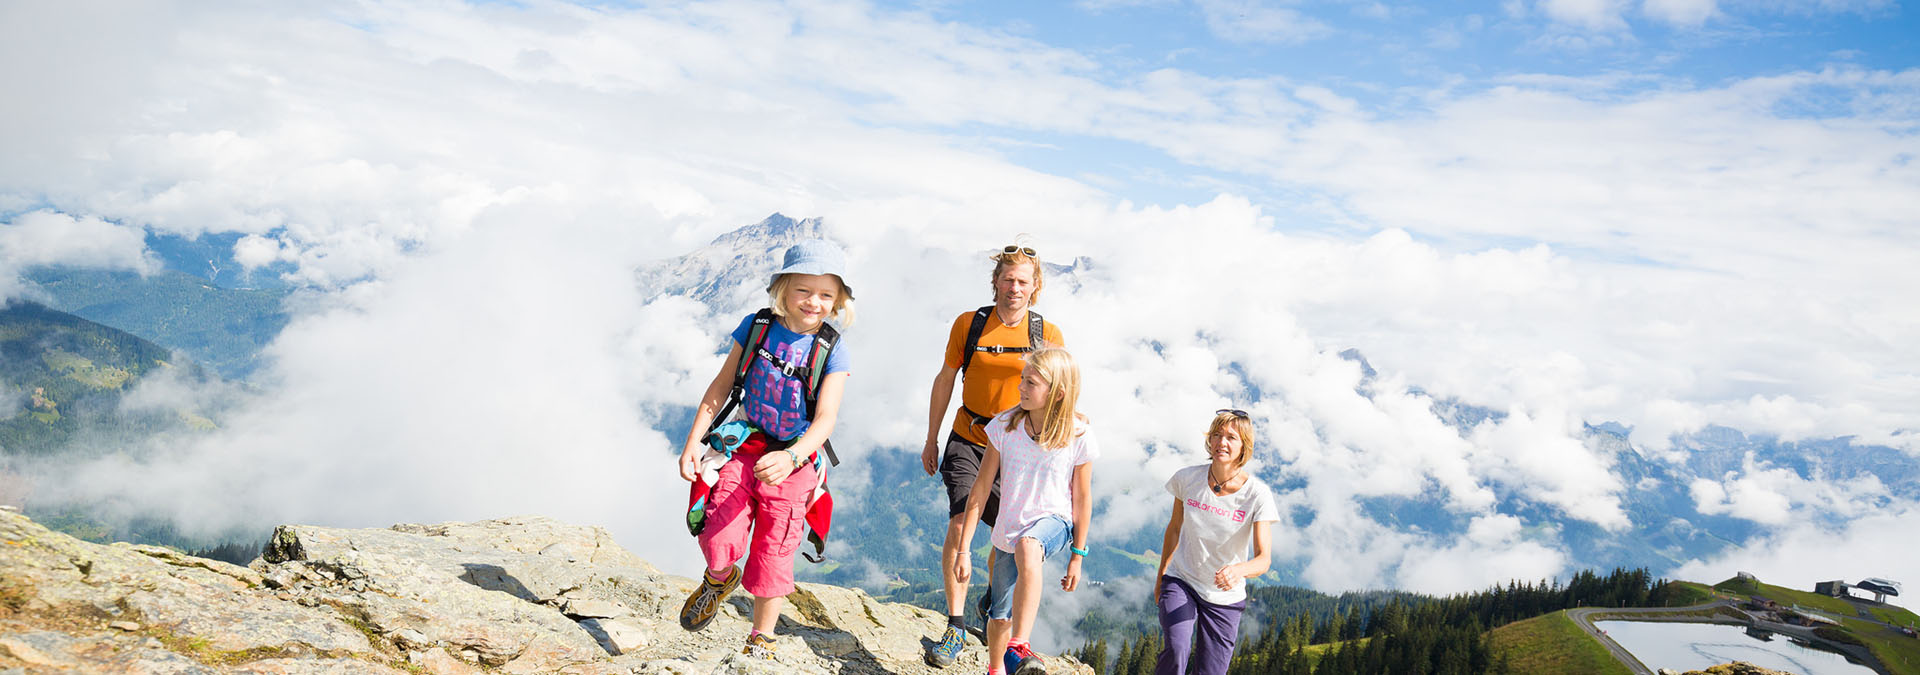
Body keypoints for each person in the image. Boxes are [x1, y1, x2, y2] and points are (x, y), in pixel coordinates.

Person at [675, 239, 854, 660]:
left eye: (827, 295)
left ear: (838, 300)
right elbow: (720, 388)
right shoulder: (757, 328)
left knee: (775, 549)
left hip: (794, 460)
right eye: (803, 291)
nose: (814, 302)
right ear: (784, 289)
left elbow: (826, 417)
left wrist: (792, 456)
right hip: (745, 444)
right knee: (719, 534)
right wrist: (692, 445)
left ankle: (762, 637)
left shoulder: (832, 348)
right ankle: (720, 577)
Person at [924, 245, 1067, 667]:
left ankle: (991, 602)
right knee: (960, 521)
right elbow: (946, 378)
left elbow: (1061, 387)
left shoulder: (1047, 334)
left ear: (1035, 286)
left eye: (1023, 281)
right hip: (969, 437)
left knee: (1006, 533)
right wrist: (932, 437)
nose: (1014, 288)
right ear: (995, 281)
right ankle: (953, 626)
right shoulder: (970, 325)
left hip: (1019, 448)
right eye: (1007, 279)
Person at [954, 346, 1096, 675]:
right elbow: (981, 487)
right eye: (1022, 379)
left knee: (1029, 546)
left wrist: (1078, 554)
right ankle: (997, 668)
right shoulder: (1005, 425)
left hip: (1054, 522)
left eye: (1030, 383)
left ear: (1058, 393)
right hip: (1008, 530)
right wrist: (964, 549)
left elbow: (1083, 498)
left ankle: (1020, 644)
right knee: (999, 613)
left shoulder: (1079, 434)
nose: (1020, 387)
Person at [1153, 409, 1278, 675]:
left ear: (1244, 445)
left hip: (1224, 596)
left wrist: (1238, 570)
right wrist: (1161, 577)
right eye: (1217, 435)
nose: (1222, 442)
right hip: (1182, 580)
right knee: (1176, 651)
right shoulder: (1187, 479)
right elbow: (1174, 529)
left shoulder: (1258, 495)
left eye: (1232, 437)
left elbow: (1263, 558)